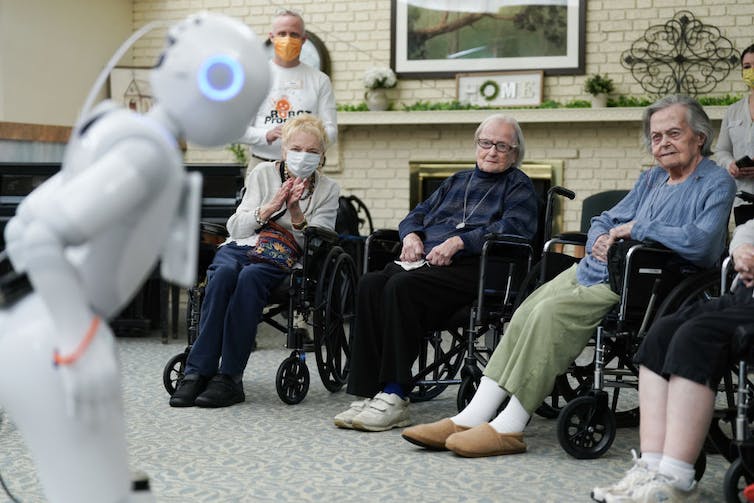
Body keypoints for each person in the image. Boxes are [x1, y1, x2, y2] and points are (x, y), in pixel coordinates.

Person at [0, 12, 269, 502]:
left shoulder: (117, 128)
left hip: (42, 322)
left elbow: (24, 229)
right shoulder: (145, 153)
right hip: (57, 335)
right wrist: (77, 343)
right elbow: (42, 237)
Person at [402, 94, 736, 457]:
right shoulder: (653, 178)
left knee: (549, 317)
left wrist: (638, 228)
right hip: (597, 268)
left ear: (699, 137)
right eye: (656, 137)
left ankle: (510, 426)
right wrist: (600, 239)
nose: (663, 143)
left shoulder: (716, 182)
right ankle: (471, 415)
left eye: (673, 133)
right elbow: (606, 219)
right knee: (527, 310)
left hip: (646, 283)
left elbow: (703, 244)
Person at [333, 114, 539, 431]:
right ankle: (368, 392)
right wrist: (411, 235)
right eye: (486, 143)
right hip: (428, 264)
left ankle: (395, 393)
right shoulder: (456, 181)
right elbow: (416, 214)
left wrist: (461, 241)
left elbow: (514, 230)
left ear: (515, 153)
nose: (492, 151)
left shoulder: (519, 187)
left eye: (502, 146)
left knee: (402, 287)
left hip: (480, 269)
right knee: (371, 283)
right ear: (476, 145)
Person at [170, 114, 339, 409]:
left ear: (322, 156)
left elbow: (316, 242)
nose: (303, 156)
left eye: (312, 151)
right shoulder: (262, 174)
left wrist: (295, 211)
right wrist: (272, 206)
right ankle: (197, 372)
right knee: (222, 275)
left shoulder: (328, 190)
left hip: (280, 254)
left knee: (249, 279)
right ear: (284, 150)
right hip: (242, 245)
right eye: (297, 149)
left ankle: (229, 378)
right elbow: (236, 227)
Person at [590, 218, 754, 502]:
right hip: (744, 296)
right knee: (661, 332)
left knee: (695, 336)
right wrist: (743, 249)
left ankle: (676, 479)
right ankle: (652, 468)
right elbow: (747, 229)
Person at [237, 9, 337, 164]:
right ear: (272, 37)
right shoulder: (255, 77)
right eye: (282, 34)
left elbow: (331, 131)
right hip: (262, 164)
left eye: (294, 34)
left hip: (305, 166)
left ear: (304, 39)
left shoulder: (320, 80)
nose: (288, 39)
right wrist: (266, 135)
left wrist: (308, 143)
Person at [716, 43, 754, 225]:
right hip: (743, 199)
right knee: (745, 251)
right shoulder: (733, 111)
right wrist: (730, 164)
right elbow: (722, 150)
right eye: (747, 67)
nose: (751, 71)